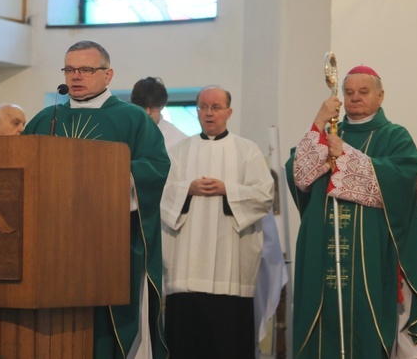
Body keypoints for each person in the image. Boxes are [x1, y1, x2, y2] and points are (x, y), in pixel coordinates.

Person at [23, 40, 169, 358]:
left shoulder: (132, 119)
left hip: (109, 245)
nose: (76, 76)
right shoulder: (46, 118)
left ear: (107, 75)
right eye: (70, 69)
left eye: (86, 69)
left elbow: (155, 168)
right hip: (50, 248)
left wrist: (104, 176)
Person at [285, 65, 417, 358]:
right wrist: (318, 123)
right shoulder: (326, 133)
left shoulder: (395, 136)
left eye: (363, 92)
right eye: (348, 92)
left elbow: (400, 179)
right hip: (322, 245)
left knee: (366, 320)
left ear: (380, 96)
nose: (355, 98)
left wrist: (346, 155)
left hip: (371, 250)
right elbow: (298, 174)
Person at [160, 85, 274, 358]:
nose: (208, 113)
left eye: (216, 107)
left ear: (228, 112)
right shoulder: (178, 151)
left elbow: (264, 195)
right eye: (203, 107)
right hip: (187, 265)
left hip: (229, 265)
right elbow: (161, 194)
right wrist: (187, 188)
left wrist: (228, 190)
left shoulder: (248, 151)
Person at [131, 77, 187, 150]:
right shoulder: (123, 133)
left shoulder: (178, 139)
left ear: (162, 105)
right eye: (143, 107)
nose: (148, 112)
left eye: (152, 107)